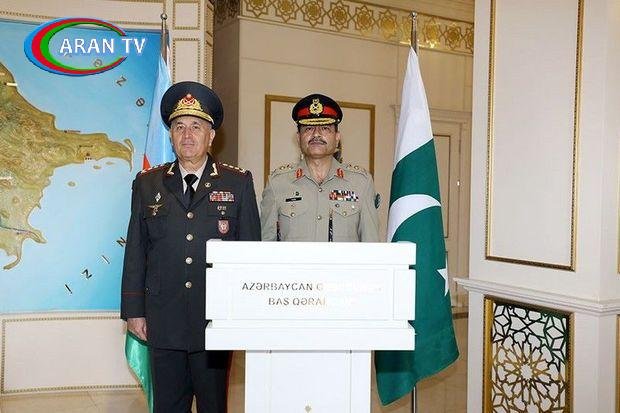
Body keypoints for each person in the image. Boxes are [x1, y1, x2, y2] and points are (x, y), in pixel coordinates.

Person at [120, 81, 260, 413]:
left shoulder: (238, 183)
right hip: (163, 318)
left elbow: (250, 254)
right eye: (179, 126)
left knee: (213, 405)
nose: (187, 134)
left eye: (196, 126)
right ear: (170, 135)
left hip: (214, 319)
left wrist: (245, 312)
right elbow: (136, 249)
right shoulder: (147, 183)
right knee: (168, 406)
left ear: (211, 136)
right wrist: (134, 311)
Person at [261, 93, 379, 242]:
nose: (316, 134)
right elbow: (265, 246)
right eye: (308, 128)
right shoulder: (277, 184)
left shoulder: (361, 183)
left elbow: (371, 247)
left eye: (325, 128)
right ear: (298, 138)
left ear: (337, 137)